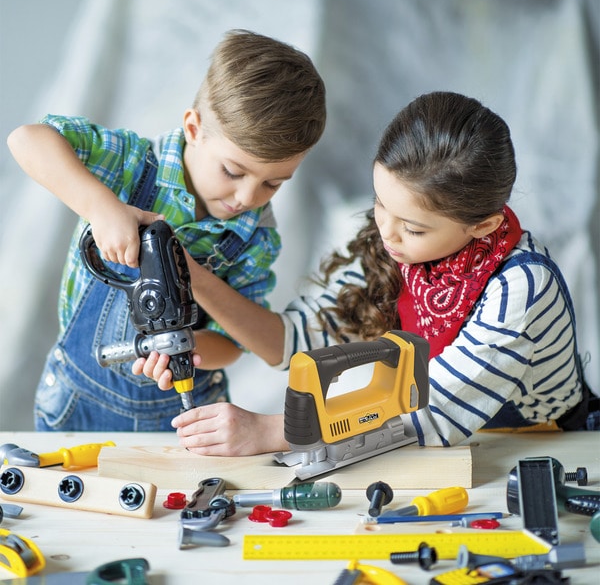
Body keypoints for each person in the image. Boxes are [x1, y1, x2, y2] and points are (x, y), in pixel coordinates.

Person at [136, 91, 594, 455]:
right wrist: (188, 274)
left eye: (413, 228)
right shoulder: (393, 244)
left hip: (550, 447)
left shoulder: (523, 286)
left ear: (484, 226)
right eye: (379, 203)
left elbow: (435, 411)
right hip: (450, 444)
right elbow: (295, 338)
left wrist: (272, 430)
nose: (387, 235)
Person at [7, 29, 326, 431]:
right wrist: (102, 208)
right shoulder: (130, 165)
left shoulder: (253, 237)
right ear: (194, 128)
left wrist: (185, 346)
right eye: (233, 171)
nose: (247, 196)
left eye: (273, 183)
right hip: (75, 404)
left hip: (177, 418)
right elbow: (28, 139)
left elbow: (233, 346)